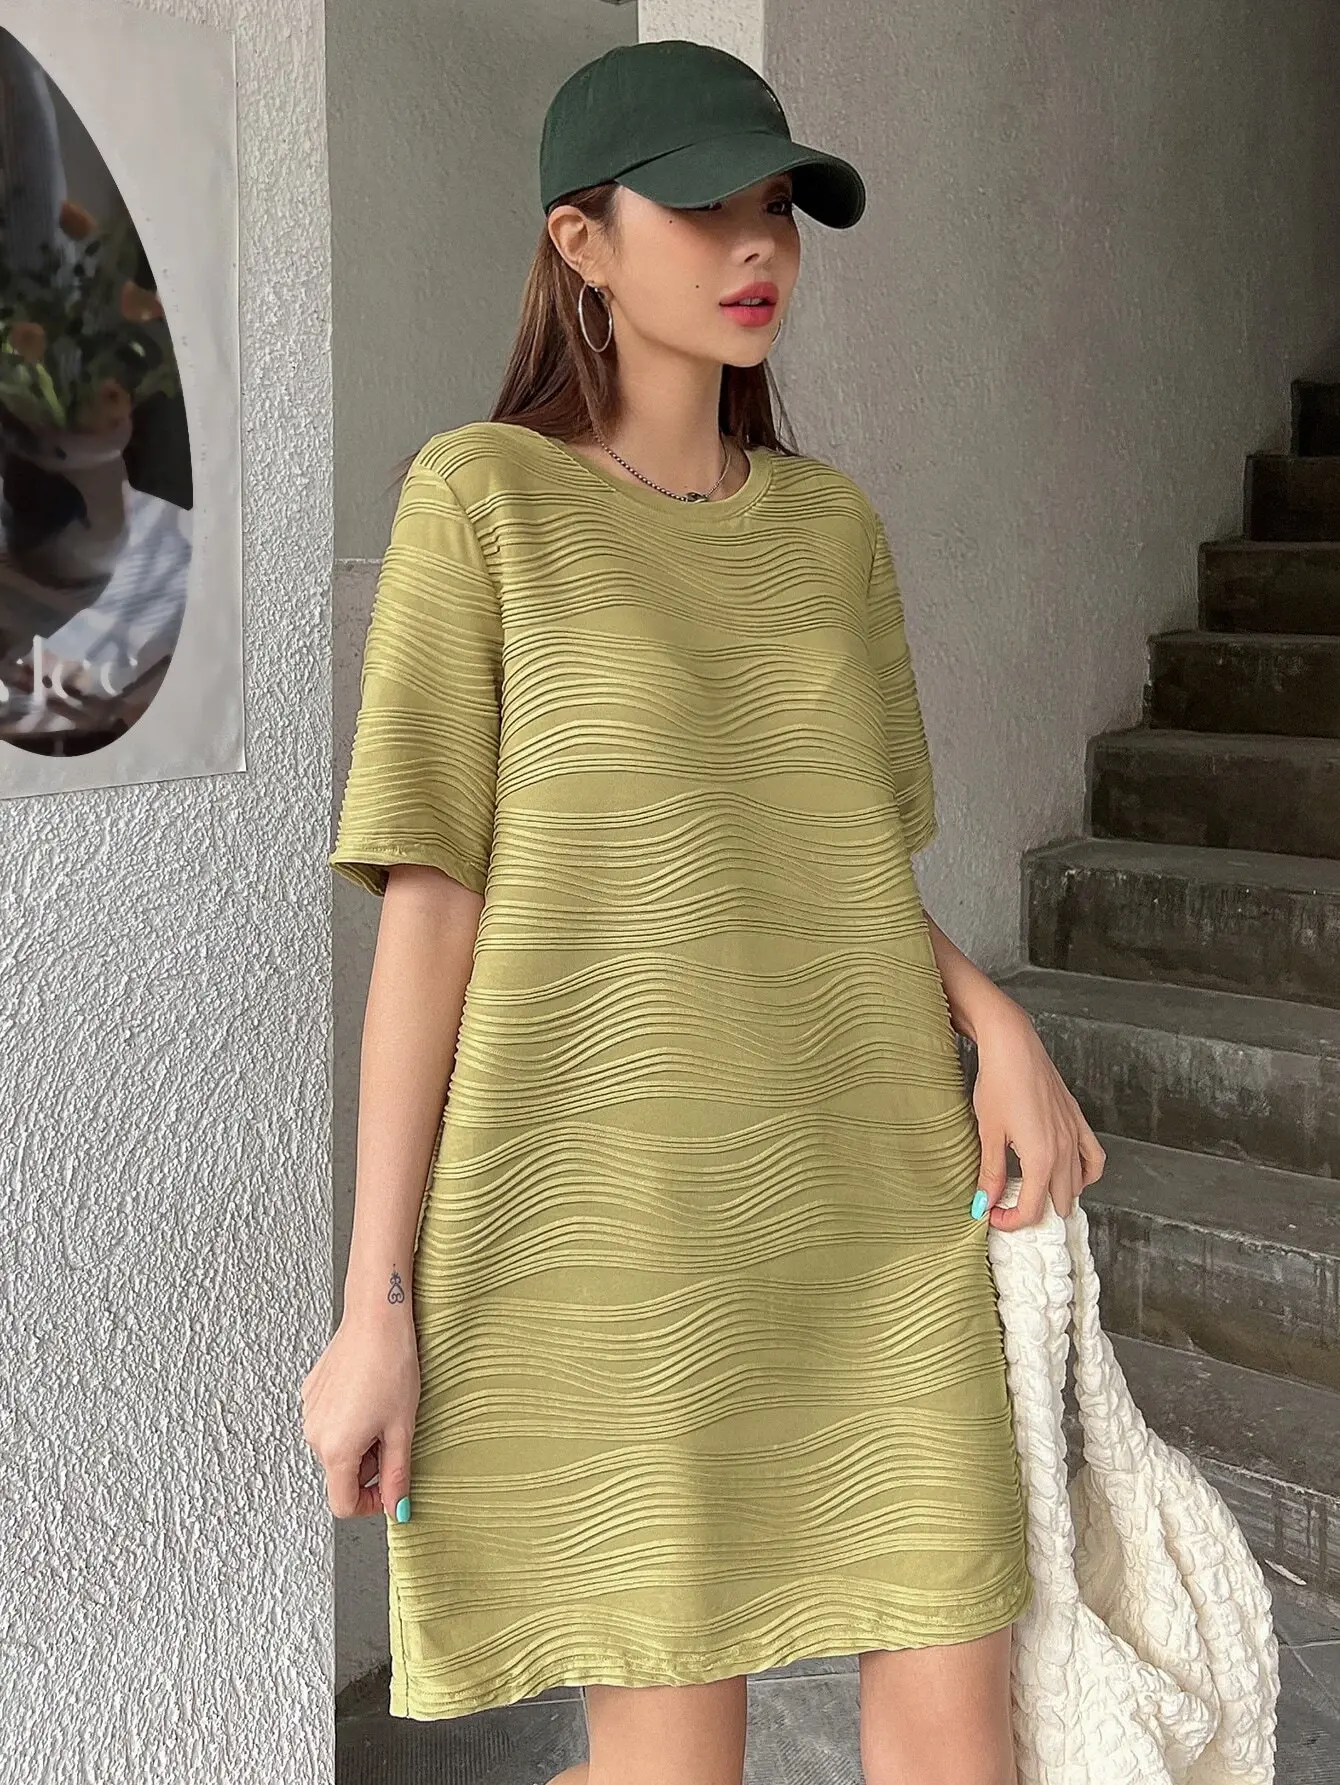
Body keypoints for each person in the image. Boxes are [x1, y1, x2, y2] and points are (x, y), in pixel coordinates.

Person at [301, 38, 1106, 1785]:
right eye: (704, 210)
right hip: (614, 1228)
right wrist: (378, 1304)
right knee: (675, 1762)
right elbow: (430, 917)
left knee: (963, 1721)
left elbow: (828, 865)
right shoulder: (481, 502)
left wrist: (995, 1019)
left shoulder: (831, 533)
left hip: (873, 1204)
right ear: (580, 242)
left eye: (779, 211)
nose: (758, 250)